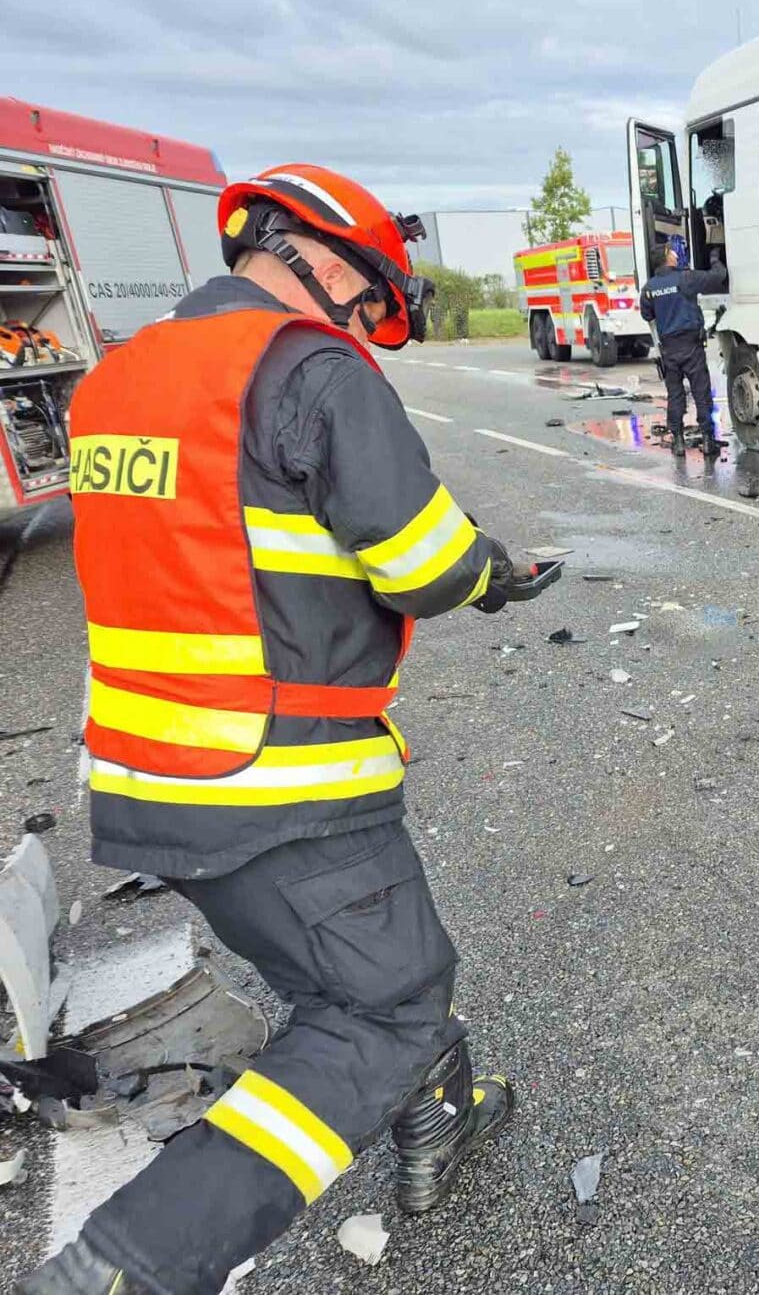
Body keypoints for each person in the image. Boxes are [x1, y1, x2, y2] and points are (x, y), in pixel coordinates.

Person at [18, 165, 544, 1294]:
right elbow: (423, 564)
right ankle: (127, 1265)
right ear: (332, 265)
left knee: (357, 966)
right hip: (276, 778)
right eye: (369, 302)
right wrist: (491, 572)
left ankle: (436, 1123)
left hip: (147, 776)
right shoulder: (307, 368)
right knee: (384, 1009)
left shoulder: (117, 377)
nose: (362, 324)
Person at [639, 244, 728, 456]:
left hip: (669, 349)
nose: (675, 254)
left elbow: (647, 315)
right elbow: (718, 276)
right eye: (672, 252)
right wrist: (714, 256)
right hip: (691, 345)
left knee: (675, 395)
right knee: (701, 393)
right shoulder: (685, 278)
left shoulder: (649, 288)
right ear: (667, 258)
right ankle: (708, 440)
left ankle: (678, 441)